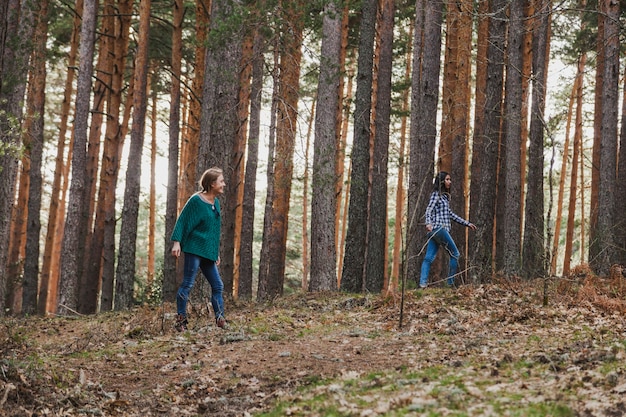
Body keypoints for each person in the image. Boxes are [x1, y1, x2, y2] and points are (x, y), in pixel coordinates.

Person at [171, 167, 227, 331]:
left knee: (218, 286)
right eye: (221, 181)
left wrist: (214, 252)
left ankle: (220, 319)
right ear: (212, 184)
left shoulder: (216, 202)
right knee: (188, 284)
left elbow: (214, 231)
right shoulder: (196, 200)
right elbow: (183, 220)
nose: (223, 184)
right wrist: (177, 242)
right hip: (194, 248)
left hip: (207, 251)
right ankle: (181, 321)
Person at [419, 171, 476, 288]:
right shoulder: (436, 194)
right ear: (441, 181)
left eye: (450, 179)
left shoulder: (445, 198)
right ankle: (450, 284)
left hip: (435, 231)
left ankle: (422, 284)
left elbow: (451, 215)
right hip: (439, 229)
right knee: (455, 254)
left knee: (428, 258)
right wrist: (428, 223)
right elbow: (429, 209)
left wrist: (467, 223)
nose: (450, 182)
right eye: (447, 179)